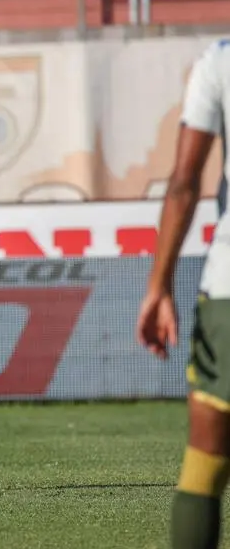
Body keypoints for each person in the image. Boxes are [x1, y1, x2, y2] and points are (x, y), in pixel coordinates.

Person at [137, 38, 230, 549]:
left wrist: (159, 284)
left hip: (229, 289)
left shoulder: (220, 59)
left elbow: (184, 182)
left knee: (206, 463)